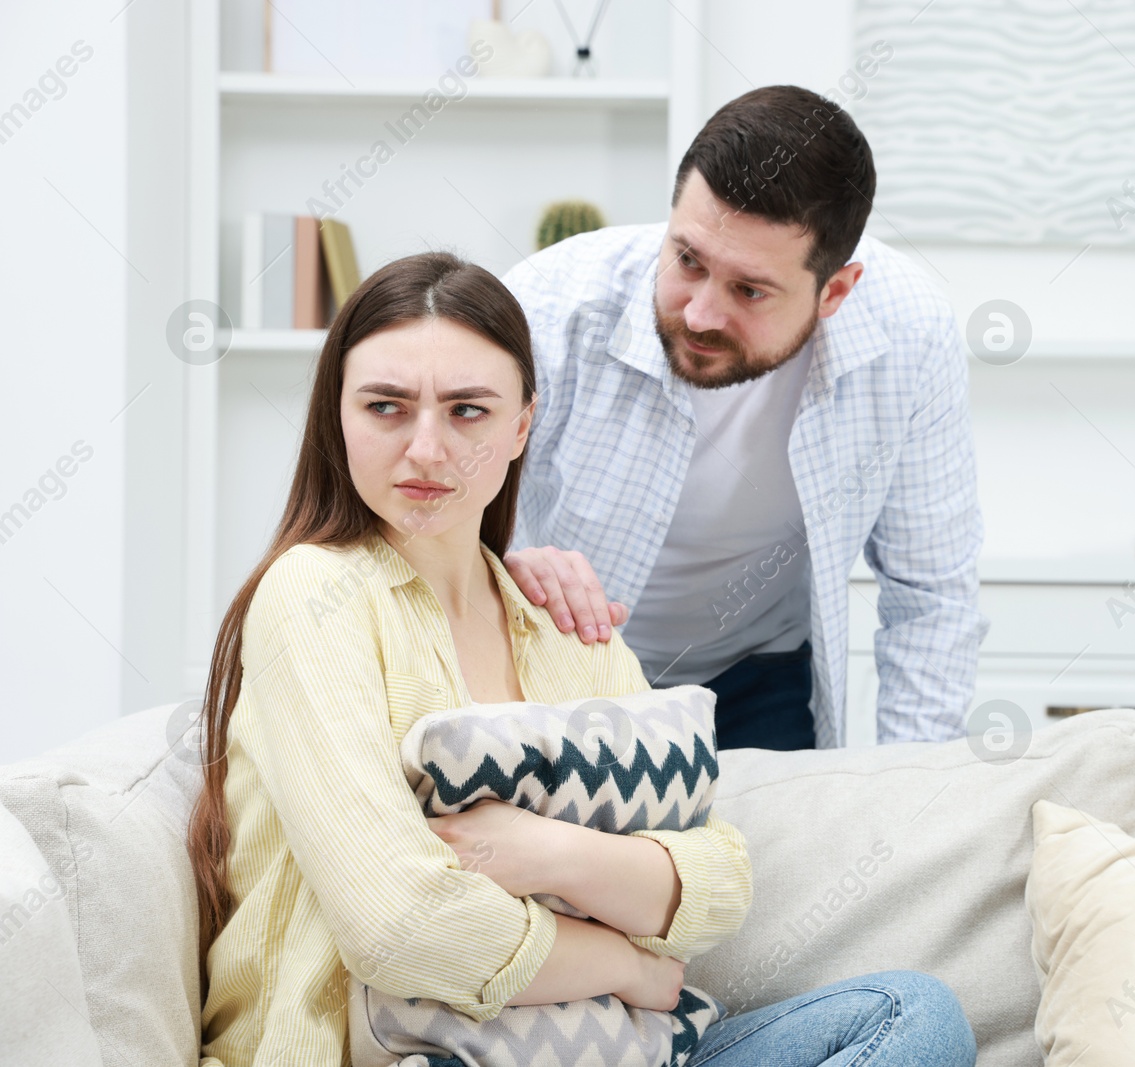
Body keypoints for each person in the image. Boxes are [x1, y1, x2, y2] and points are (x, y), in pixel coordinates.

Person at [185, 251, 976, 1067]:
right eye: (386, 407)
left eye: (467, 411)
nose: (426, 449)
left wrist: (544, 852)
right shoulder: (313, 595)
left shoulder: (564, 624)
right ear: (337, 416)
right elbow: (400, 925)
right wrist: (628, 961)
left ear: (523, 424)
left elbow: (717, 880)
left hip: (606, 1051)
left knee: (912, 1015)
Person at [500, 84, 989, 752]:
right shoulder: (547, 308)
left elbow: (931, 596)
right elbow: (441, 525)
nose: (700, 312)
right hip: (560, 674)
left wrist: (911, 797)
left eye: (749, 289)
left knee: (779, 857)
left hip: (759, 675)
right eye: (687, 260)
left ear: (835, 291)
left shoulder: (912, 333)